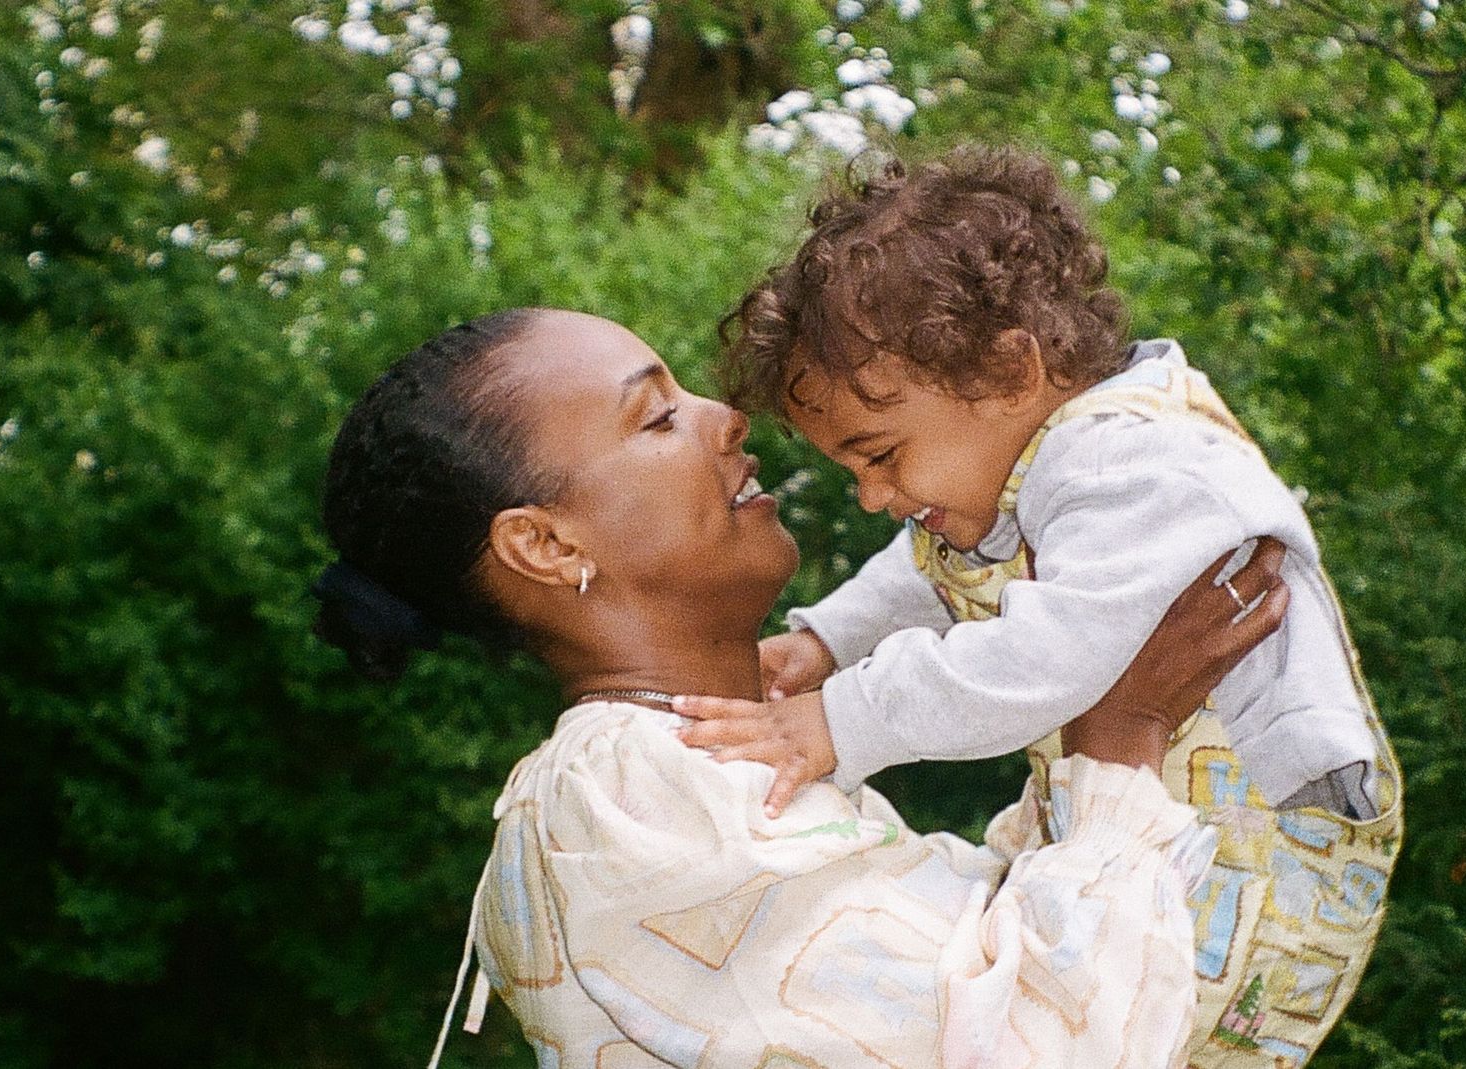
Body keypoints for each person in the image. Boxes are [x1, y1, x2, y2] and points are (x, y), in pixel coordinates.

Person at [311, 308, 1294, 1068]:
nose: (726, 416)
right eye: (656, 415)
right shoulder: (625, 799)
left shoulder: (689, 768)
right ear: (545, 544)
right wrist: (1119, 740)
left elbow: (969, 972)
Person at [697, 146, 1405, 1066]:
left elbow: (1043, 661)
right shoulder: (1029, 470)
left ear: (1011, 370)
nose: (872, 494)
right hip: (1168, 824)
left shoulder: (1131, 460)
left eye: (881, 454)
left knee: (1107, 1026)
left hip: (1265, 857)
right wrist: (826, 639)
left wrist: (840, 720)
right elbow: (930, 567)